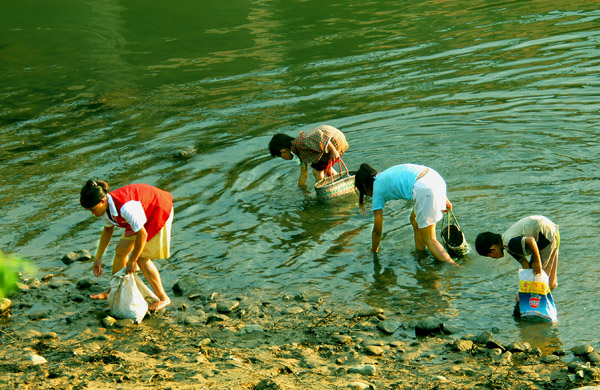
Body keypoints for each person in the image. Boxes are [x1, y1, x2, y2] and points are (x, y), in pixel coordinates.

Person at [80, 180, 173, 312]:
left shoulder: (126, 207)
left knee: (141, 258)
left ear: (102, 201)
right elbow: (107, 231)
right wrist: (98, 257)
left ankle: (163, 298)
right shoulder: (106, 209)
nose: (93, 214)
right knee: (120, 251)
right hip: (141, 212)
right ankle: (112, 292)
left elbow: (142, 234)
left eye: (93, 210)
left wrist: (132, 260)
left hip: (157, 209)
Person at [354, 163, 459, 266]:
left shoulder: (377, 190)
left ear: (364, 185)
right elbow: (418, 177)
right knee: (414, 219)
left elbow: (377, 231)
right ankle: (421, 254)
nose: (368, 196)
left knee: (430, 238)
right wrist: (442, 196)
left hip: (425, 189)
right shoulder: (384, 175)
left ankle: (454, 267)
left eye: (364, 193)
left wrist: (373, 252)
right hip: (434, 178)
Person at [475, 215, 560, 290]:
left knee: (540, 280)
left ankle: (537, 302)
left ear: (493, 249)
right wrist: (522, 289)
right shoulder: (507, 245)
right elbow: (525, 265)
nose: (494, 258)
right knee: (550, 283)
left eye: (491, 256)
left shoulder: (509, 243)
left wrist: (537, 262)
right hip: (551, 231)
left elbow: (530, 241)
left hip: (545, 234)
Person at [268, 124, 349, 186]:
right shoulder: (298, 150)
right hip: (335, 139)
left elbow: (319, 136)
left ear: (283, 151)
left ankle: (322, 190)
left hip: (333, 140)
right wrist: (301, 188)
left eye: (280, 156)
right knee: (325, 167)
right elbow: (304, 173)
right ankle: (341, 182)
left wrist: (333, 151)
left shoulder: (301, 143)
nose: (283, 158)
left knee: (317, 171)